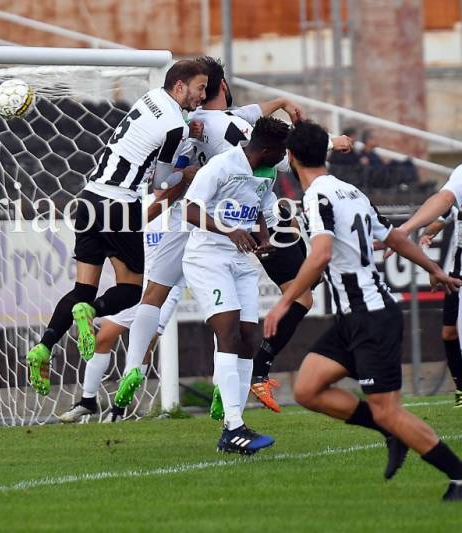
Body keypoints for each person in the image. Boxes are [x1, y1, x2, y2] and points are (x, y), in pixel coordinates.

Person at [112, 56, 353, 414]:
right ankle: (241, 382)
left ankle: (134, 367)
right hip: (233, 220)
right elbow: (283, 155)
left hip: (186, 214)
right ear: (222, 86)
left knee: (156, 294)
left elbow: (249, 114)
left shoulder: (189, 121)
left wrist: (281, 102)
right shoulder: (237, 129)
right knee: (266, 306)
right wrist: (332, 142)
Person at [264, 121, 462, 501]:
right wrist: (434, 269)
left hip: (370, 316)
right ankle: (390, 431)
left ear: (290, 157)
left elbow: (321, 254)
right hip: (355, 316)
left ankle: (458, 475)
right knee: (307, 388)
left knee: (389, 410)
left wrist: (284, 303)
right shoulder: (350, 190)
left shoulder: (317, 196)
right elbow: (394, 237)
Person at [24, 59, 208, 396]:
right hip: (120, 205)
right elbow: (161, 183)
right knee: (131, 291)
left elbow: (154, 133)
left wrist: (184, 130)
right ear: (180, 86)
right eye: (200, 88)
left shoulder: (150, 98)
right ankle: (91, 312)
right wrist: (186, 171)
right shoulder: (176, 127)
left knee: (82, 289)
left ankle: (44, 345)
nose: (202, 96)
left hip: (88, 199)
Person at [182, 116, 291, 454]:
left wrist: (263, 236)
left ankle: (235, 425)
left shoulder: (266, 172)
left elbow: (255, 206)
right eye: (282, 151)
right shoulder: (221, 165)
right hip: (208, 258)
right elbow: (189, 210)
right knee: (227, 333)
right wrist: (229, 230)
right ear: (267, 149)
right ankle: (233, 426)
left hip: (241, 262)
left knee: (248, 337)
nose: (284, 158)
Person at [58, 194, 184, 423]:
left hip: (164, 288)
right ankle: (88, 401)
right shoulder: (136, 203)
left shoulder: (185, 210)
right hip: (134, 285)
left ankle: (118, 410)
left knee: (146, 344)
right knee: (103, 338)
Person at [414, 211, 462, 408]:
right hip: (456, 276)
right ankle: (461, 388)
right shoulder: (456, 198)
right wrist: (427, 235)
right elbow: (438, 221)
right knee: (449, 333)